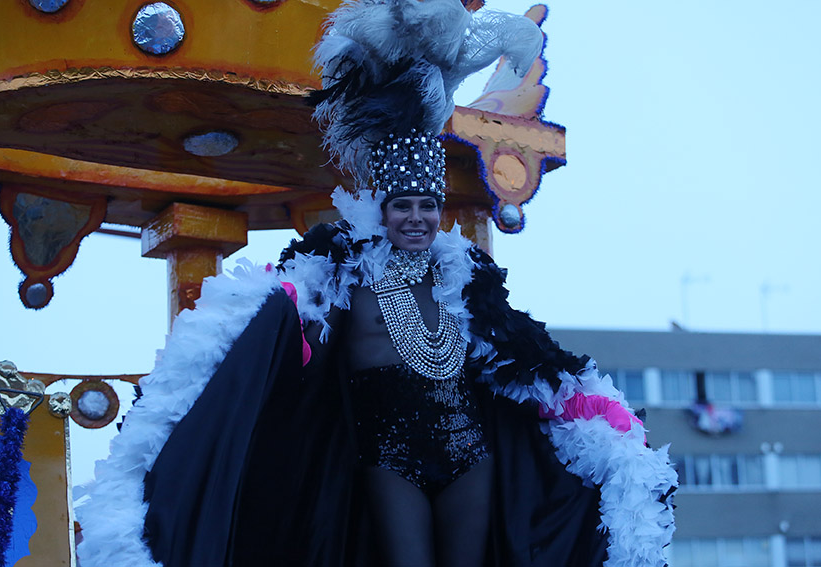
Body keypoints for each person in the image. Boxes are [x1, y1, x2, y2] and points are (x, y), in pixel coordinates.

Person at [77, 1, 677, 566]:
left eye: (426, 206)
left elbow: (521, 358)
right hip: (387, 459)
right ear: (383, 210)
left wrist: (603, 421)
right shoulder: (338, 267)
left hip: (471, 456)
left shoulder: (469, 277)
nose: (416, 218)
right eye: (402, 206)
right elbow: (286, 332)